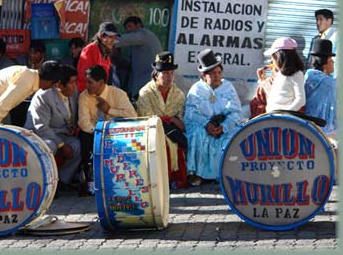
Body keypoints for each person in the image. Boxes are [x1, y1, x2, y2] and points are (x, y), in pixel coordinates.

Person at [184, 49, 243, 185]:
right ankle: (196, 174)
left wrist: (224, 126)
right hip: (204, 125)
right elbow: (191, 113)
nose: (216, 76)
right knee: (197, 134)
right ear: (204, 75)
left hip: (224, 124)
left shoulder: (228, 87)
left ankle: (224, 174)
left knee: (233, 135)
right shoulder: (197, 89)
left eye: (219, 72)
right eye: (212, 73)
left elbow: (236, 112)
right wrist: (206, 124)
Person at [78, 65, 137, 193]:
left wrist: (109, 110)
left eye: (90, 82)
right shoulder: (84, 96)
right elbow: (84, 122)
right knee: (85, 139)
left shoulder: (118, 94)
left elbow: (132, 116)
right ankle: (89, 181)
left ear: (101, 83)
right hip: (94, 133)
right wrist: (99, 133)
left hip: (115, 133)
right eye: (86, 82)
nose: (87, 86)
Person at [0, 60, 63, 132]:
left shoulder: (29, 76)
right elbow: (1, 106)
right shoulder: (26, 81)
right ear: (48, 81)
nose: (51, 88)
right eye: (53, 85)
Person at [25, 65, 82, 191]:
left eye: (75, 82)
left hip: (61, 132)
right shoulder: (44, 96)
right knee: (50, 146)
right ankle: (44, 184)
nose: (75, 85)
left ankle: (62, 181)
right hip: (39, 134)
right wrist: (61, 145)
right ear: (59, 85)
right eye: (71, 82)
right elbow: (41, 127)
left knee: (77, 145)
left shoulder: (74, 92)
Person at [136, 51, 188, 189]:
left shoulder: (178, 94)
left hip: (172, 130)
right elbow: (145, 119)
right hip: (152, 132)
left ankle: (178, 178)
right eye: (164, 73)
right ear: (156, 75)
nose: (169, 76)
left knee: (181, 141)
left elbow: (181, 121)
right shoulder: (145, 93)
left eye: (171, 73)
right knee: (163, 143)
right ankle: (160, 180)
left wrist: (173, 120)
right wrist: (165, 120)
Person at [115, 16, 163, 100]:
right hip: (143, 80)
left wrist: (106, 40)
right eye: (126, 28)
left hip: (147, 79)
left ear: (138, 26)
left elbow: (123, 40)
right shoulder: (139, 41)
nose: (128, 30)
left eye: (130, 26)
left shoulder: (142, 34)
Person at [260, 37, 306, 113]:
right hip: (272, 115)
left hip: (283, 120)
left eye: (274, 57)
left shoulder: (297, 75)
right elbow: (273, 96)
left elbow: (301, 100)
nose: (271, 61)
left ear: (281, 57)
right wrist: (263, 81)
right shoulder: (279, 74)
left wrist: (287, 113)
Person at [304, 39, 336, 135]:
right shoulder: (328, 83)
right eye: (331, 60)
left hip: (305, 126)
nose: (333, 63)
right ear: (324, 62)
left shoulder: (308, 76)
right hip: (322, 130)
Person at [77, 22, 118, 93]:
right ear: (101, 36)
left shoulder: (106, 53)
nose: (113, 40)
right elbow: (82, 75)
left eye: (115, 37)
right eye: (110, 37)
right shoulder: (90, 49)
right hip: (86, 92)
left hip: (98, 93)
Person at [307, 9, 337, 77]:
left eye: (320, 19)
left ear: (329, 21)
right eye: (317, 20)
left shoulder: (336, 37)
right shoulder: (315, 39)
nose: (318, 23)